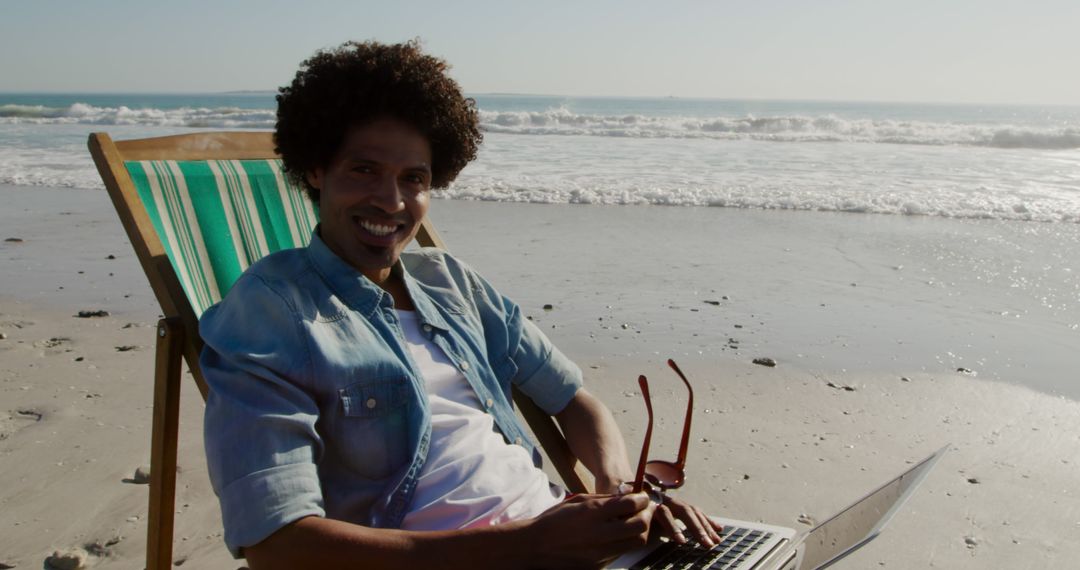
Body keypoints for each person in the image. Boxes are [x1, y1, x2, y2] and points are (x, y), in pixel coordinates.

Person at [200, 39, 722, 569]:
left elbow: (572, 397)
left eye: (414, 179)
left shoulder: (449, 282)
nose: (392, 200)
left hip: (563, 539)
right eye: (364, 170)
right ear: (316, 169)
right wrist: (533, 544)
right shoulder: (273, 311)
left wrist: (619, 497)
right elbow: (276, 545)